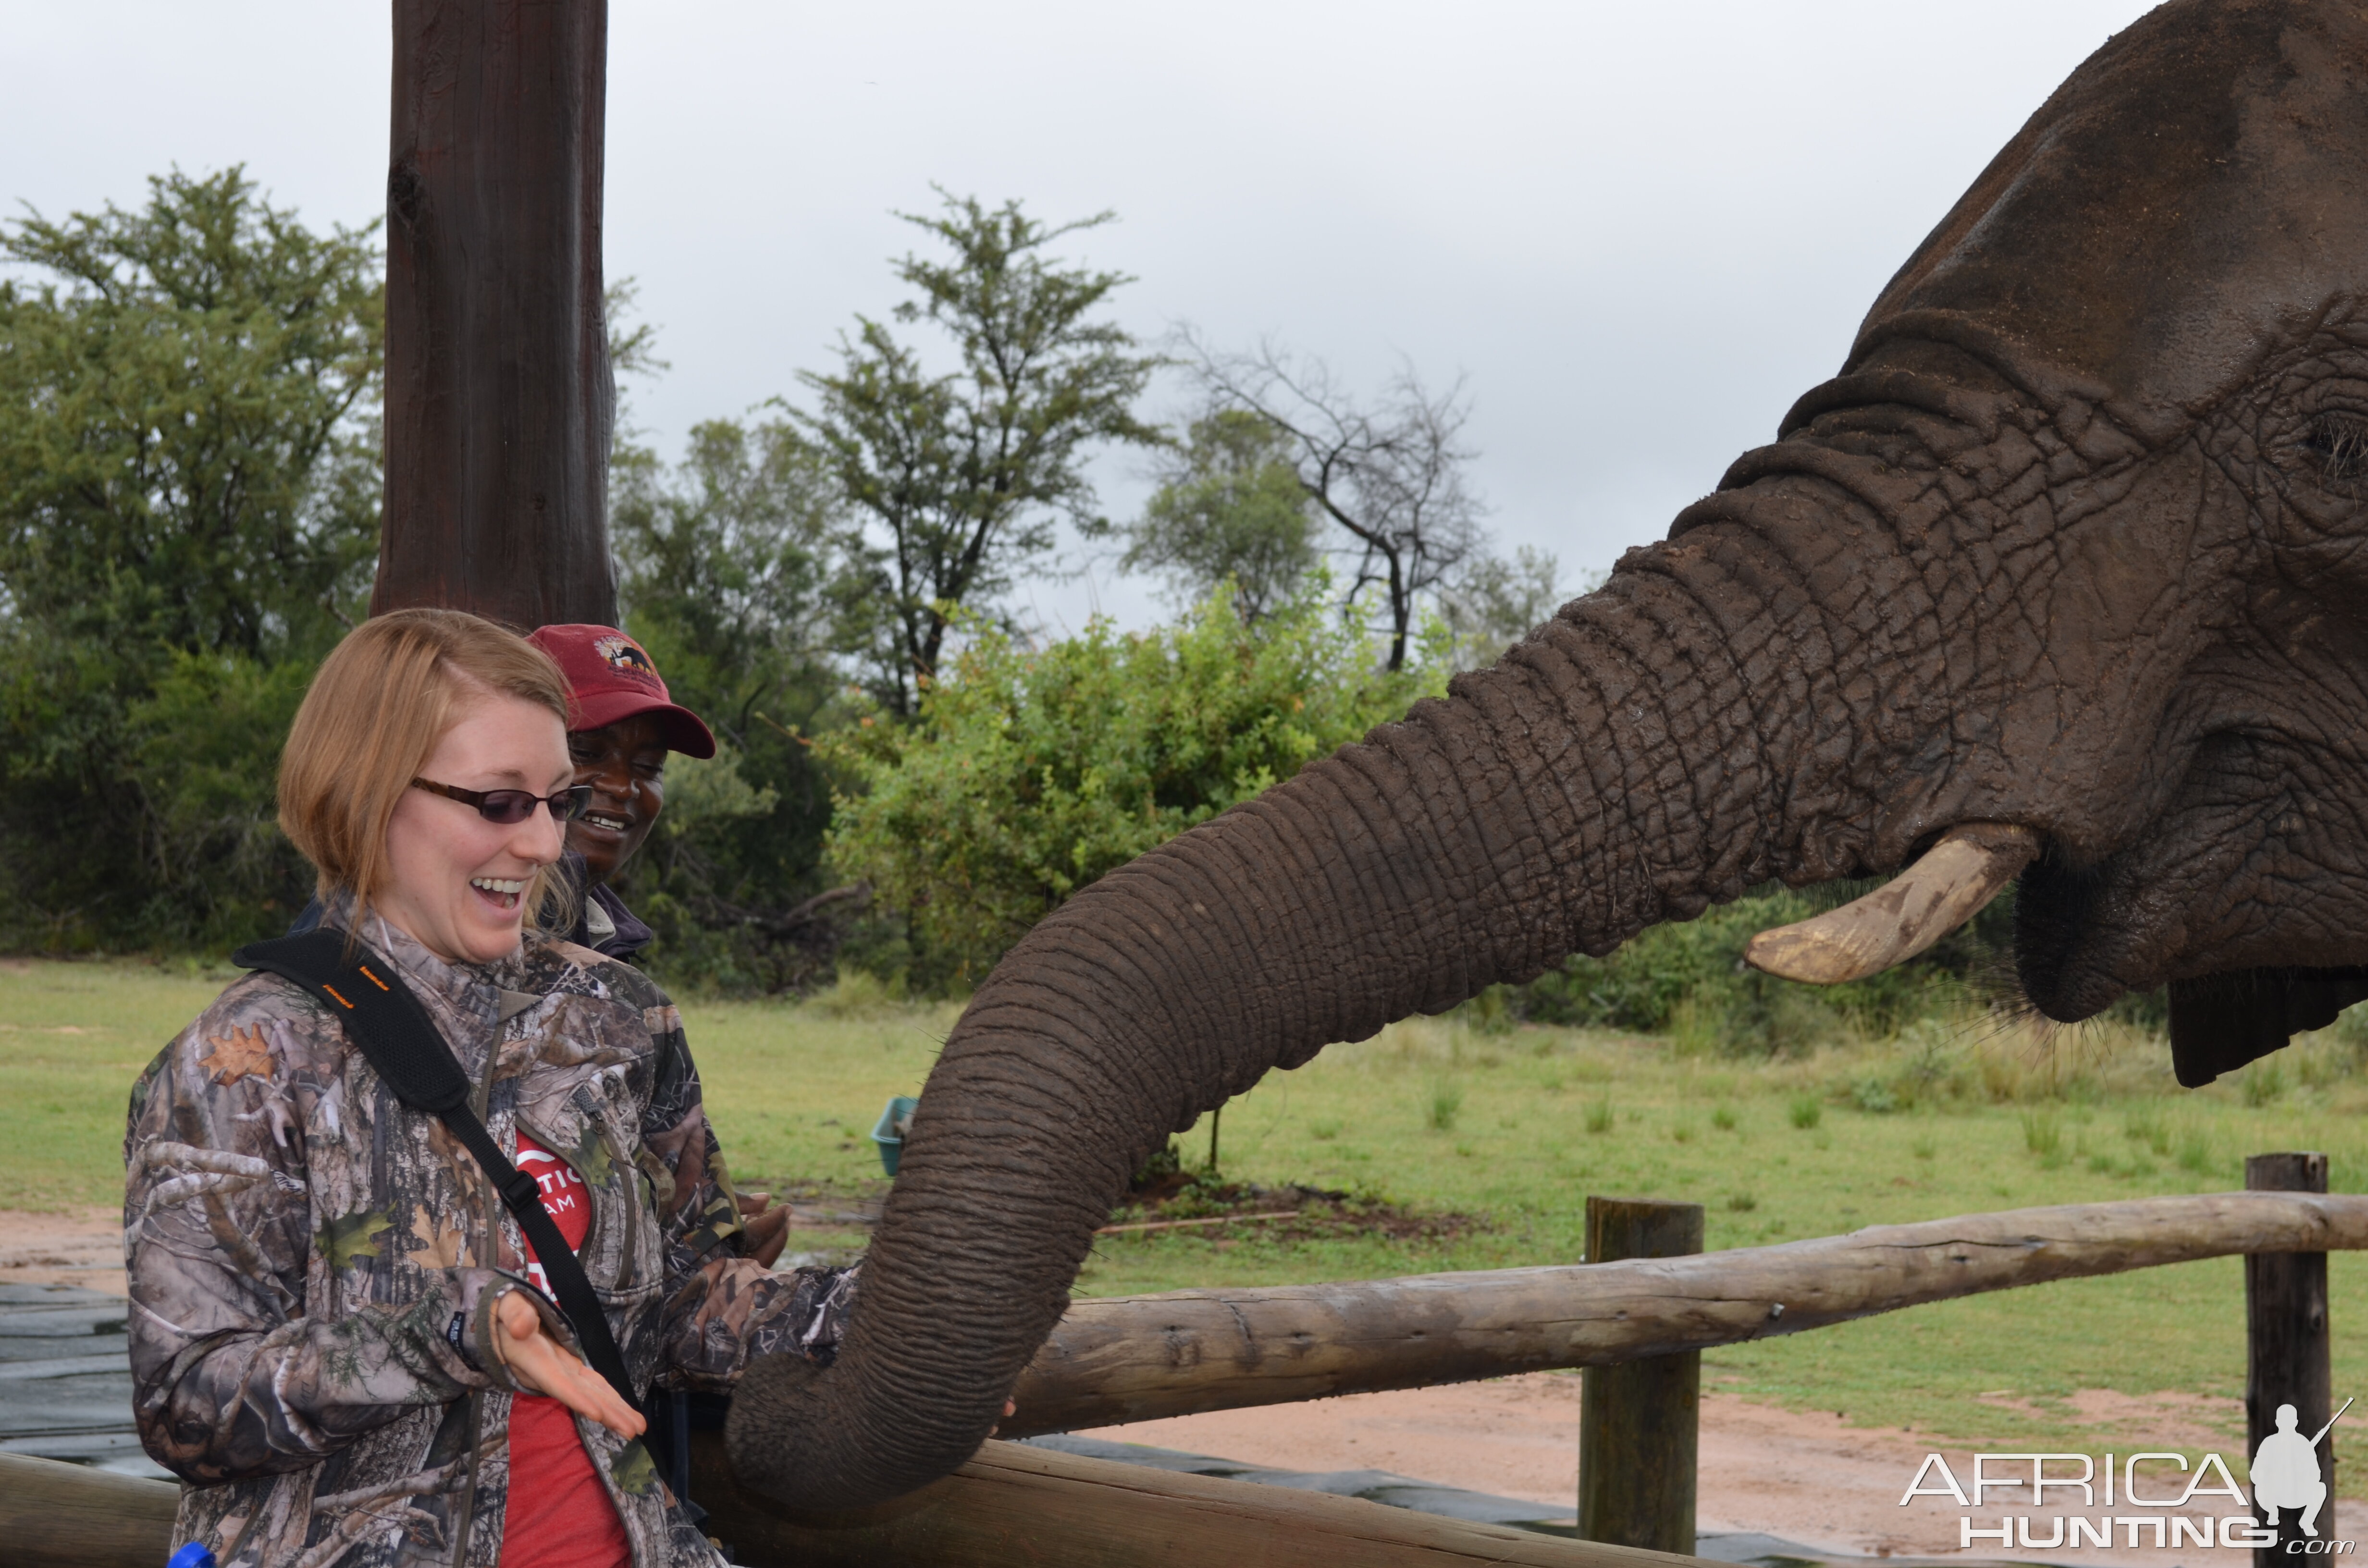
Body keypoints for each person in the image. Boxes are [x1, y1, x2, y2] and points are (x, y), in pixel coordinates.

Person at [126, 609, 852, 1568]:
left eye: (555, 800)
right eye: (501, 803)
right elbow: (187, 1404)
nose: (546, 844)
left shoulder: (615, 1016)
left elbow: (682, 1297)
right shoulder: (246, 1061)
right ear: (370, 792)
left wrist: (861, 1312)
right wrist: (455, 1337)